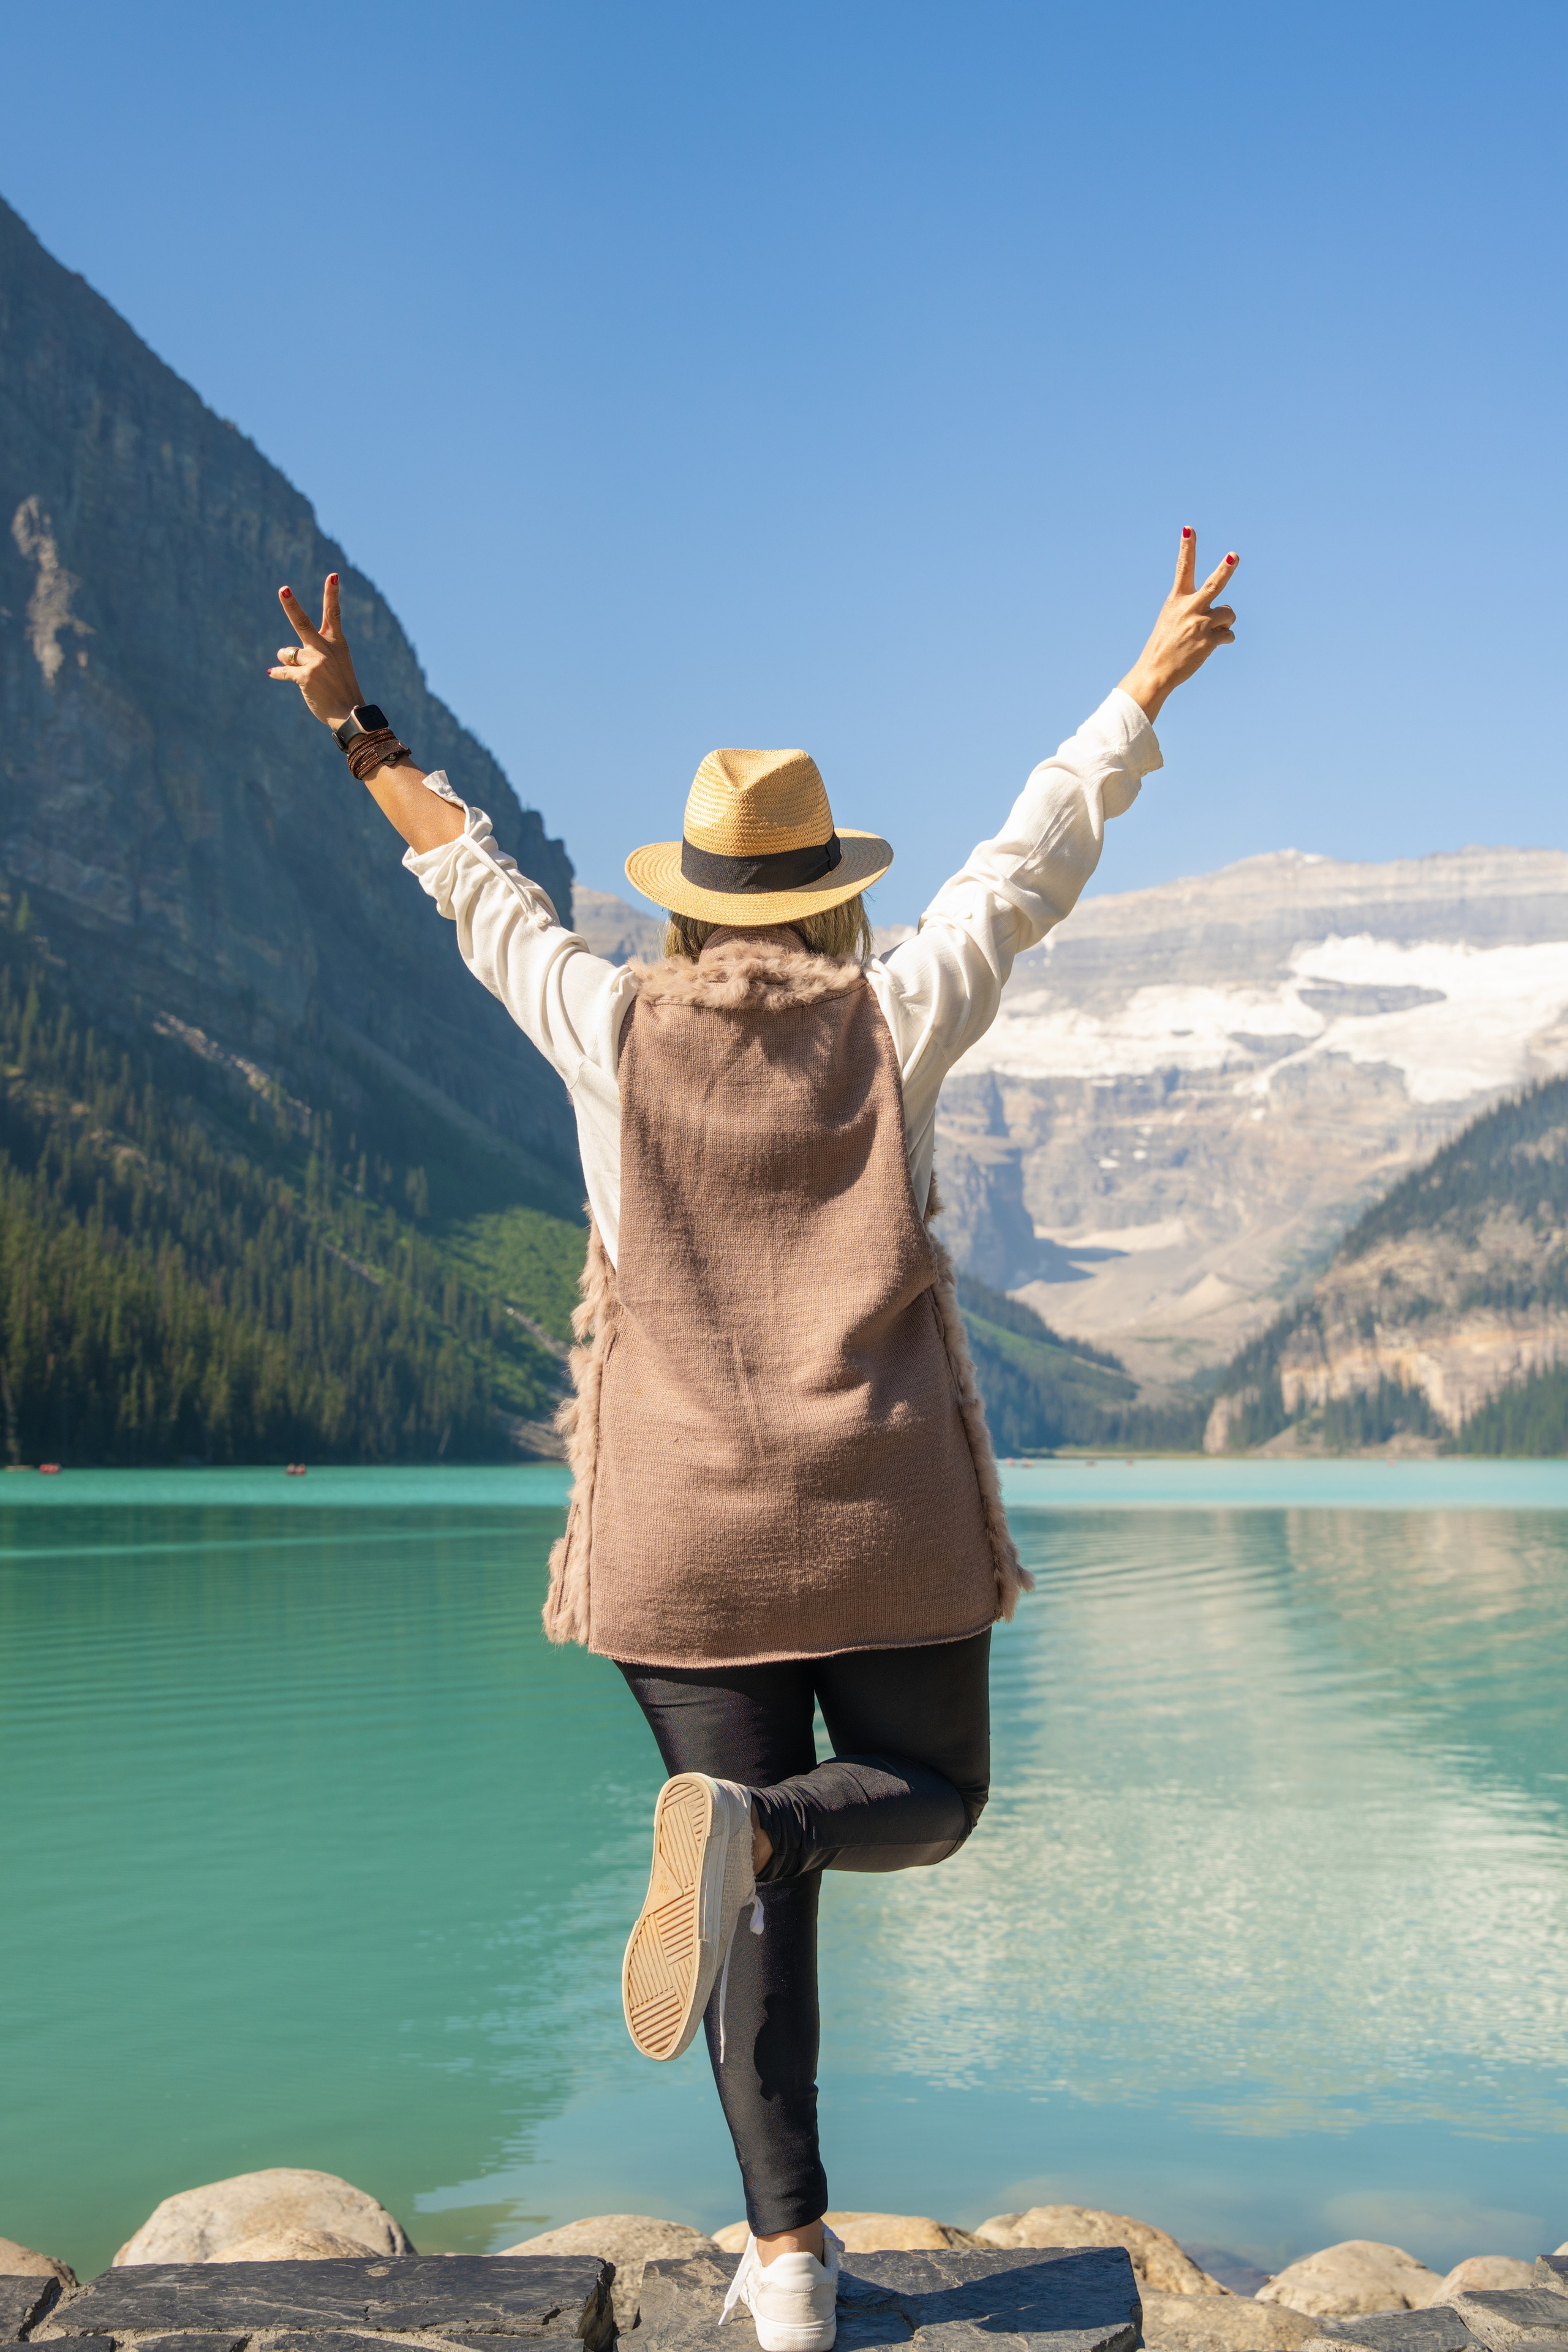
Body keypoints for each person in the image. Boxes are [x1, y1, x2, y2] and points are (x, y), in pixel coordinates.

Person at [268, 531, 1238, 2351]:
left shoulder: (602, 1020)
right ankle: (771, 1833)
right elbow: (1030, 864)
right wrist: (1148, 682)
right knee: (919, 1813)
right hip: (886, 1524)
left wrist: (352, 723)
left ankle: (785, 2263)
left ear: (696, 908)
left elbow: (460, 879)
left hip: (673, 1540)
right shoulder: (900, 1012)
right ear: (828, 901)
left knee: (745, 1911)